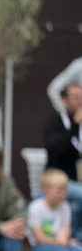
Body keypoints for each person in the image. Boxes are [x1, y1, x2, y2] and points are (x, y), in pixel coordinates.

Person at [44, 82, 82, 239]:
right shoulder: (54, 122)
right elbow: (55, 151)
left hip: (77, 181)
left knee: (76, 203)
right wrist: (75, 125)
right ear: (64, 100)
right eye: (76, 97)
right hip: (58, 179)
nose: (80, 101)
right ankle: (73, 237)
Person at [27, 169, 82, 251]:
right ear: (45, 190)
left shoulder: (65, 207)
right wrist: (60, 242)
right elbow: (40, 238)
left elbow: (66, 229)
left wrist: (66, 239)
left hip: (61, 245)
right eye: (59, 190)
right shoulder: (35, 208)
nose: (63, 194)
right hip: (39, 247)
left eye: (65, 190)